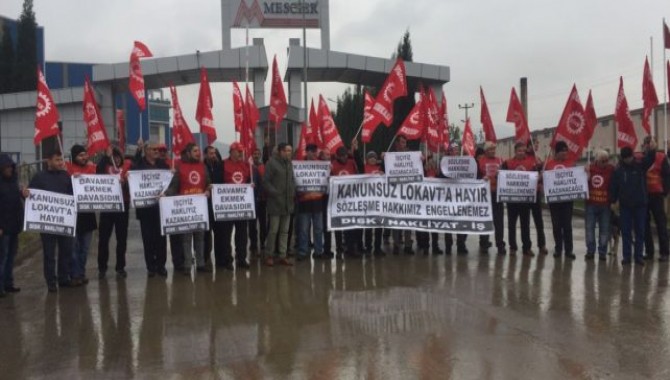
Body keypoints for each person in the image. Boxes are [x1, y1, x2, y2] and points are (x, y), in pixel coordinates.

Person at [28, 150, 76, 292]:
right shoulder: (39, 177)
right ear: (49, 161)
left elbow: (73, 195)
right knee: (49, 254)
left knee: (65, 251)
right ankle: (51, 281)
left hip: (64, 221)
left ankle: (63, 278)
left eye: (61, 159)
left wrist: (78, 181)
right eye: (57, 160)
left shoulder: (66, 176)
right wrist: (25, 193)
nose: (60, 162)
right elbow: (31, 195)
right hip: (47, 222)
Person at [165, 143, 211, 274]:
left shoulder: (203, 167)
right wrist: (165, 194)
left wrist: (208, 190)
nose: (198, 153)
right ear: (189, 153)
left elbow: (208, 183)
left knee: (200, 238)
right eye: (195, 151)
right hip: (185, 209)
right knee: (186, 239)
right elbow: (174, 187)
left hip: (200, 209)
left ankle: (201, 264)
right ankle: (187, 265)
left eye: (199, 151)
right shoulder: (180, 168)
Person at [610, 144, 655, 265]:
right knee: (625, 232)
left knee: (640, 231)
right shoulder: (618, 171)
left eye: (629, 157)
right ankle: (627, 257)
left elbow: (650, 160)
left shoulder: (640, 166)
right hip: (625, 206)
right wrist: (613, 201)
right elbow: (614, 186)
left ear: (632, 156)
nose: (628, 160)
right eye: (625, 158)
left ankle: (639, 256)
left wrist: (652, 149)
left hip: (640, 205)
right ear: (622, 158)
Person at [131, 141, 170, 277]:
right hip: (145, 209)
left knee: (161, 239)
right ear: (146, 151)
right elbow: (132, 179)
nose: (156, 151)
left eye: (157, 149)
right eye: (153, 149)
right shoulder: (139, 165)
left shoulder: (163, 165)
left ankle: (161, 265)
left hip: (160, 209)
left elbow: (169, 183)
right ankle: (151, 267)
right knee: (148, 240)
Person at [96, 145, 131, 279]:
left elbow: (134, 183)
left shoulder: (126, 167)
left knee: (121, 238)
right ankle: (102, 267)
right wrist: (106, 156)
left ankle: (120, 267)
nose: (116, 160)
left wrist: (125, 182)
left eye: (118, 157)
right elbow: (98, 173)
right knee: (104, 238)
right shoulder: (105, 166)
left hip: (123, 206)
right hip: (107, 206)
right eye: (113, 157)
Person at [67, 144, 98, 285]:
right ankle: (75, 275)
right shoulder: (67, 170)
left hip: (87, 216)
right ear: (74, 157)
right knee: (74, 248)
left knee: (85, 248)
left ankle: (81, 272)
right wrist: (71, 179)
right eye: (80, 155)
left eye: (85, 154)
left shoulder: (92, 169)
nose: (84, 157)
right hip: (72, 216)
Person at [501, 141, 537, 257]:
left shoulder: (531, 163)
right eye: (519, 151)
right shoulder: (508, 163)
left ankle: (527, 247)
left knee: (525, 224)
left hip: (525, 200)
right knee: (512, 224)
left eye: (523, 150)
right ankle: (512, 247)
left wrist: (539, 176)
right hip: (512, 199)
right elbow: (501, 175)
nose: (521, 153)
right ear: (515, 151)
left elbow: (536, 176)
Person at [264, 143, 296, 266]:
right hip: (275, 203)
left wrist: (292, 192)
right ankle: (269, 255)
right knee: (273, 231)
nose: (289, 153)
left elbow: (292, 180)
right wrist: (275, 193)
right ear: (281, 151)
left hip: (288, 203)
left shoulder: (289, 164)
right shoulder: (271, 164)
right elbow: (266, 182)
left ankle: (282, 255)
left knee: (285, 231)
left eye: (290, 150)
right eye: (287, 150)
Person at [220, 142, 251, 270]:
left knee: (242, 234)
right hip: (227, 206)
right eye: (238, 151)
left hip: (242, 206)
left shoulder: (245, 165)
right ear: (232, 151)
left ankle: (241, 258)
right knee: (226, 235)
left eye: (241, 151)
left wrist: (251, 186)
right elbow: (218, 182)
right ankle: (227, 259)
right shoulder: (223, 164)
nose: (240, 153)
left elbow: (248, 180)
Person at [296, 144, 328, 260]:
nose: (315, 154)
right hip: (304, 202)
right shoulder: (299, 165)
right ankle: (303, 251)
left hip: (318, 202)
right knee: (304, 229)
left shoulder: (321, 165)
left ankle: (318, 251)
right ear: (307, 152)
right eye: (313, 152)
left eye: (316, 152)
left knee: (318, 228)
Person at [331, 144, 364, 258]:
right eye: (341, 156)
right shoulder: (333, 165)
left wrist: (355, 151)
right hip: (338, 201)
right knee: (339, 227)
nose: (344, 158)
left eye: (345, 155)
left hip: (351, 200)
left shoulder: (352, 163)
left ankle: (351, 248)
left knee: (351, 225)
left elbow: (360, 170)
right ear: (337, 156)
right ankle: (340, 248)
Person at [545, 141, 576, 259]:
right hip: (554, 200)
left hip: (567, 200)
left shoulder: (571, 164)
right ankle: (558, 248)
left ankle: (569, 250)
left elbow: (576, 178)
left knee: (567, 225)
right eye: (562, 151)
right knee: (556, 225)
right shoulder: (549, 164)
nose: (564, 153)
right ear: (557, 152)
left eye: (566, 150)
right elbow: (545, 180)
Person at [642, 136, 670, 262]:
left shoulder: (661, 157)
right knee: (645, 224)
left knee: (661, 224)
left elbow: (667, 175)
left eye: (650, 143)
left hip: (657, 194)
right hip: (645, 195)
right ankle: (649, 252)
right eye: (646, 143)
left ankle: (664, 252)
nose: (648, 145)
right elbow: (646, 164)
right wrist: (649, 152)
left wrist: (665, 191)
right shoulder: (643, 157)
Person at [0, 154, 24, 295]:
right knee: (2, 258)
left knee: (11, 256)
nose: (9, 169)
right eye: (6, 167)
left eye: (10, 166)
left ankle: (8, 283)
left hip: (14, 225)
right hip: (3, 228)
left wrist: (23, 193)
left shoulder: (14, 181)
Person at [585, 150, 614, 261]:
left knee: (604, 230)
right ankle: (590, 251)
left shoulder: (611, 169)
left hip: (605, 205)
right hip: (591, 204)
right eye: (603, 161)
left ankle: (602, 252)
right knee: (589, 229)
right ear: (597, 160)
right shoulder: (590, 168)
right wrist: (586, 173)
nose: (605, 163)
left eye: (607, 160)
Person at [478, 141, 505, 255]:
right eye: (490, 149)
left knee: (499, 221)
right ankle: (484, 243)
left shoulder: (500, 161)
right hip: (485, 195)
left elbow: (507, 174)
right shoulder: (480, 161)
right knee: (485, 220)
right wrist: (481, 178)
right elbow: (476, 176)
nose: (492, 151)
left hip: (497, 195)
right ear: (485, 151)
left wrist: (502, 174)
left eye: (494, 149)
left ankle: (500, 245)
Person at [203, 146, 224, 267]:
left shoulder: (220, 166)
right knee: (207, 235)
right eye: (211, 153)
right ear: (205, 155)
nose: (213, 155)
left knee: (220, 234)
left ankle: (220, 260)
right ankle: (206, 259)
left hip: (219, 205)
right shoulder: (201, 166)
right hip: (206, 205)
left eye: (214, 153)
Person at [526, 139, 548, 255]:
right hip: (525, 195)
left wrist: (542, 175)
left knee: (539, 221)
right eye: (534, 145)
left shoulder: (538, 159)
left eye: (537, 145)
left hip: (536, 193)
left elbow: (543, 175)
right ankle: (527, 246)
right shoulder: (524, 159)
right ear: (528, 146)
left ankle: (542, 245)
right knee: (526, 223)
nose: (536, 147)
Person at [417, 155, 441, 255]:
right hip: (424, 202)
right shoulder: (423, 172)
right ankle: (426, 247)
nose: (430, 164)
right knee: (425, 226)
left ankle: (435, 246)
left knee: (434, 226)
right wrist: (422, 164)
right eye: (428, 162)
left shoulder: (437, 173)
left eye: (432, 162)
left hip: (435, 202)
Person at [363, 151, 385, 257]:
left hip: (378, 202)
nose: (372, 159)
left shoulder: (380, 169)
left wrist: (383, 175)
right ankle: (368, 247)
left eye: (374, 158)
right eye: (370, 157)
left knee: (379, 227)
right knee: (368, 227)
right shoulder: (363, 168)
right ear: (367, 159)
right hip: (368, 202)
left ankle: (377, 247)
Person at [249, 148, 267, 258]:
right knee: (252, 225)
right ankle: (253, 244)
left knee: (263, 223)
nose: (256, 155)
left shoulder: (263, 166)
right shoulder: (249, 167)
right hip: (251, 201)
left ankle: (263, 242)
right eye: (254, 153)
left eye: (258, 153)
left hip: (262, 200)